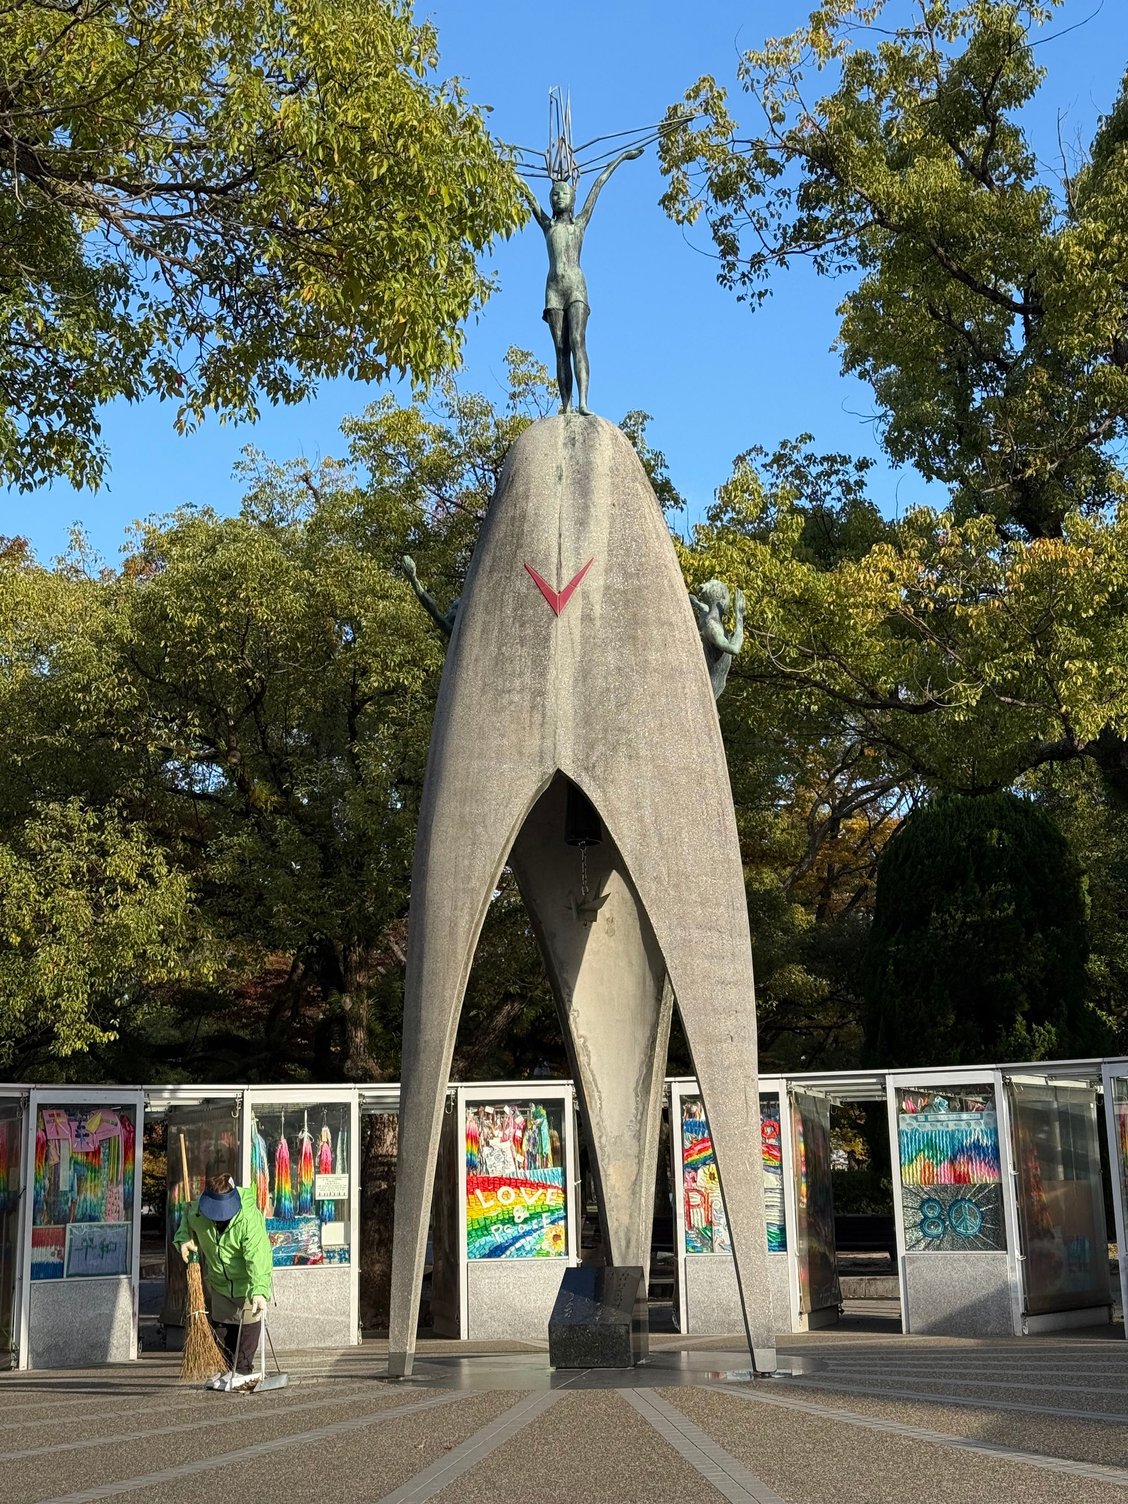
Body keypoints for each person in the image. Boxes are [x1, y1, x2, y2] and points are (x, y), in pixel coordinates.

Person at [518, 147, 643, 415]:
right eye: (554, 194)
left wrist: (622, 157)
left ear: (572, 199)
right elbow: (528, 195)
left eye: (563, 193)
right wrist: (507, 172)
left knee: (577, 341)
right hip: (553, 289)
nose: (558, 197)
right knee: (560, 348)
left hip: (576, 287)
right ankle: (566, 405)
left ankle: (583, 402)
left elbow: (599, 183)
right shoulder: (548, 226)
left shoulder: (579, 224)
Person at [174, 1172, 273, 1390]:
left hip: (248, 1281)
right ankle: (227, 1368)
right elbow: (187, 1222)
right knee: (222, 1324)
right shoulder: (197, 1212)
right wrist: (184, 1239)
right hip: (219, 1280)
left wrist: (259, 1290)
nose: (219, 1218)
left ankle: (243, 1369)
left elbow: (258, 1255)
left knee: (248, 1322)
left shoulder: (248, 1218)